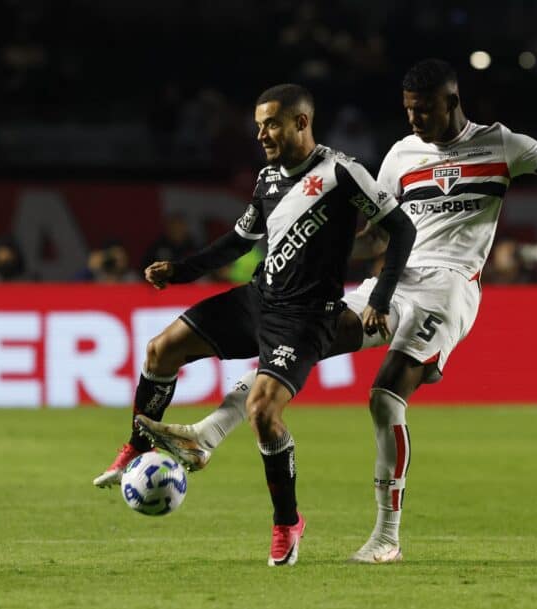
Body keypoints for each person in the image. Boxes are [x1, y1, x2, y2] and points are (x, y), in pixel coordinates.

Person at [134, 59, 537, 564]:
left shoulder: (502, 144)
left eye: (423, 111)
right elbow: (380, 227)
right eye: (408, 111)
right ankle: (208, 434)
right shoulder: (401, 154)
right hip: (392, 282)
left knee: (385, 398)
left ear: (452, 103)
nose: (414, 120)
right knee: (302, 339)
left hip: (449, 289)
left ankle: (387, 537)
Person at [92, 83, 417, 568]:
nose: (261, 133)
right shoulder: (267, 179)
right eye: (258, 125)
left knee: (264, 412)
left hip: (306, 317)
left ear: (301, 123)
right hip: (258, 299)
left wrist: (382, 297)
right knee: (161, 351)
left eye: (271, 124)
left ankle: (287, 522)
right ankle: (136, 450)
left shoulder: (343, 173)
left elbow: (402, 229)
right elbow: (237, 243)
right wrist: (181, 270)